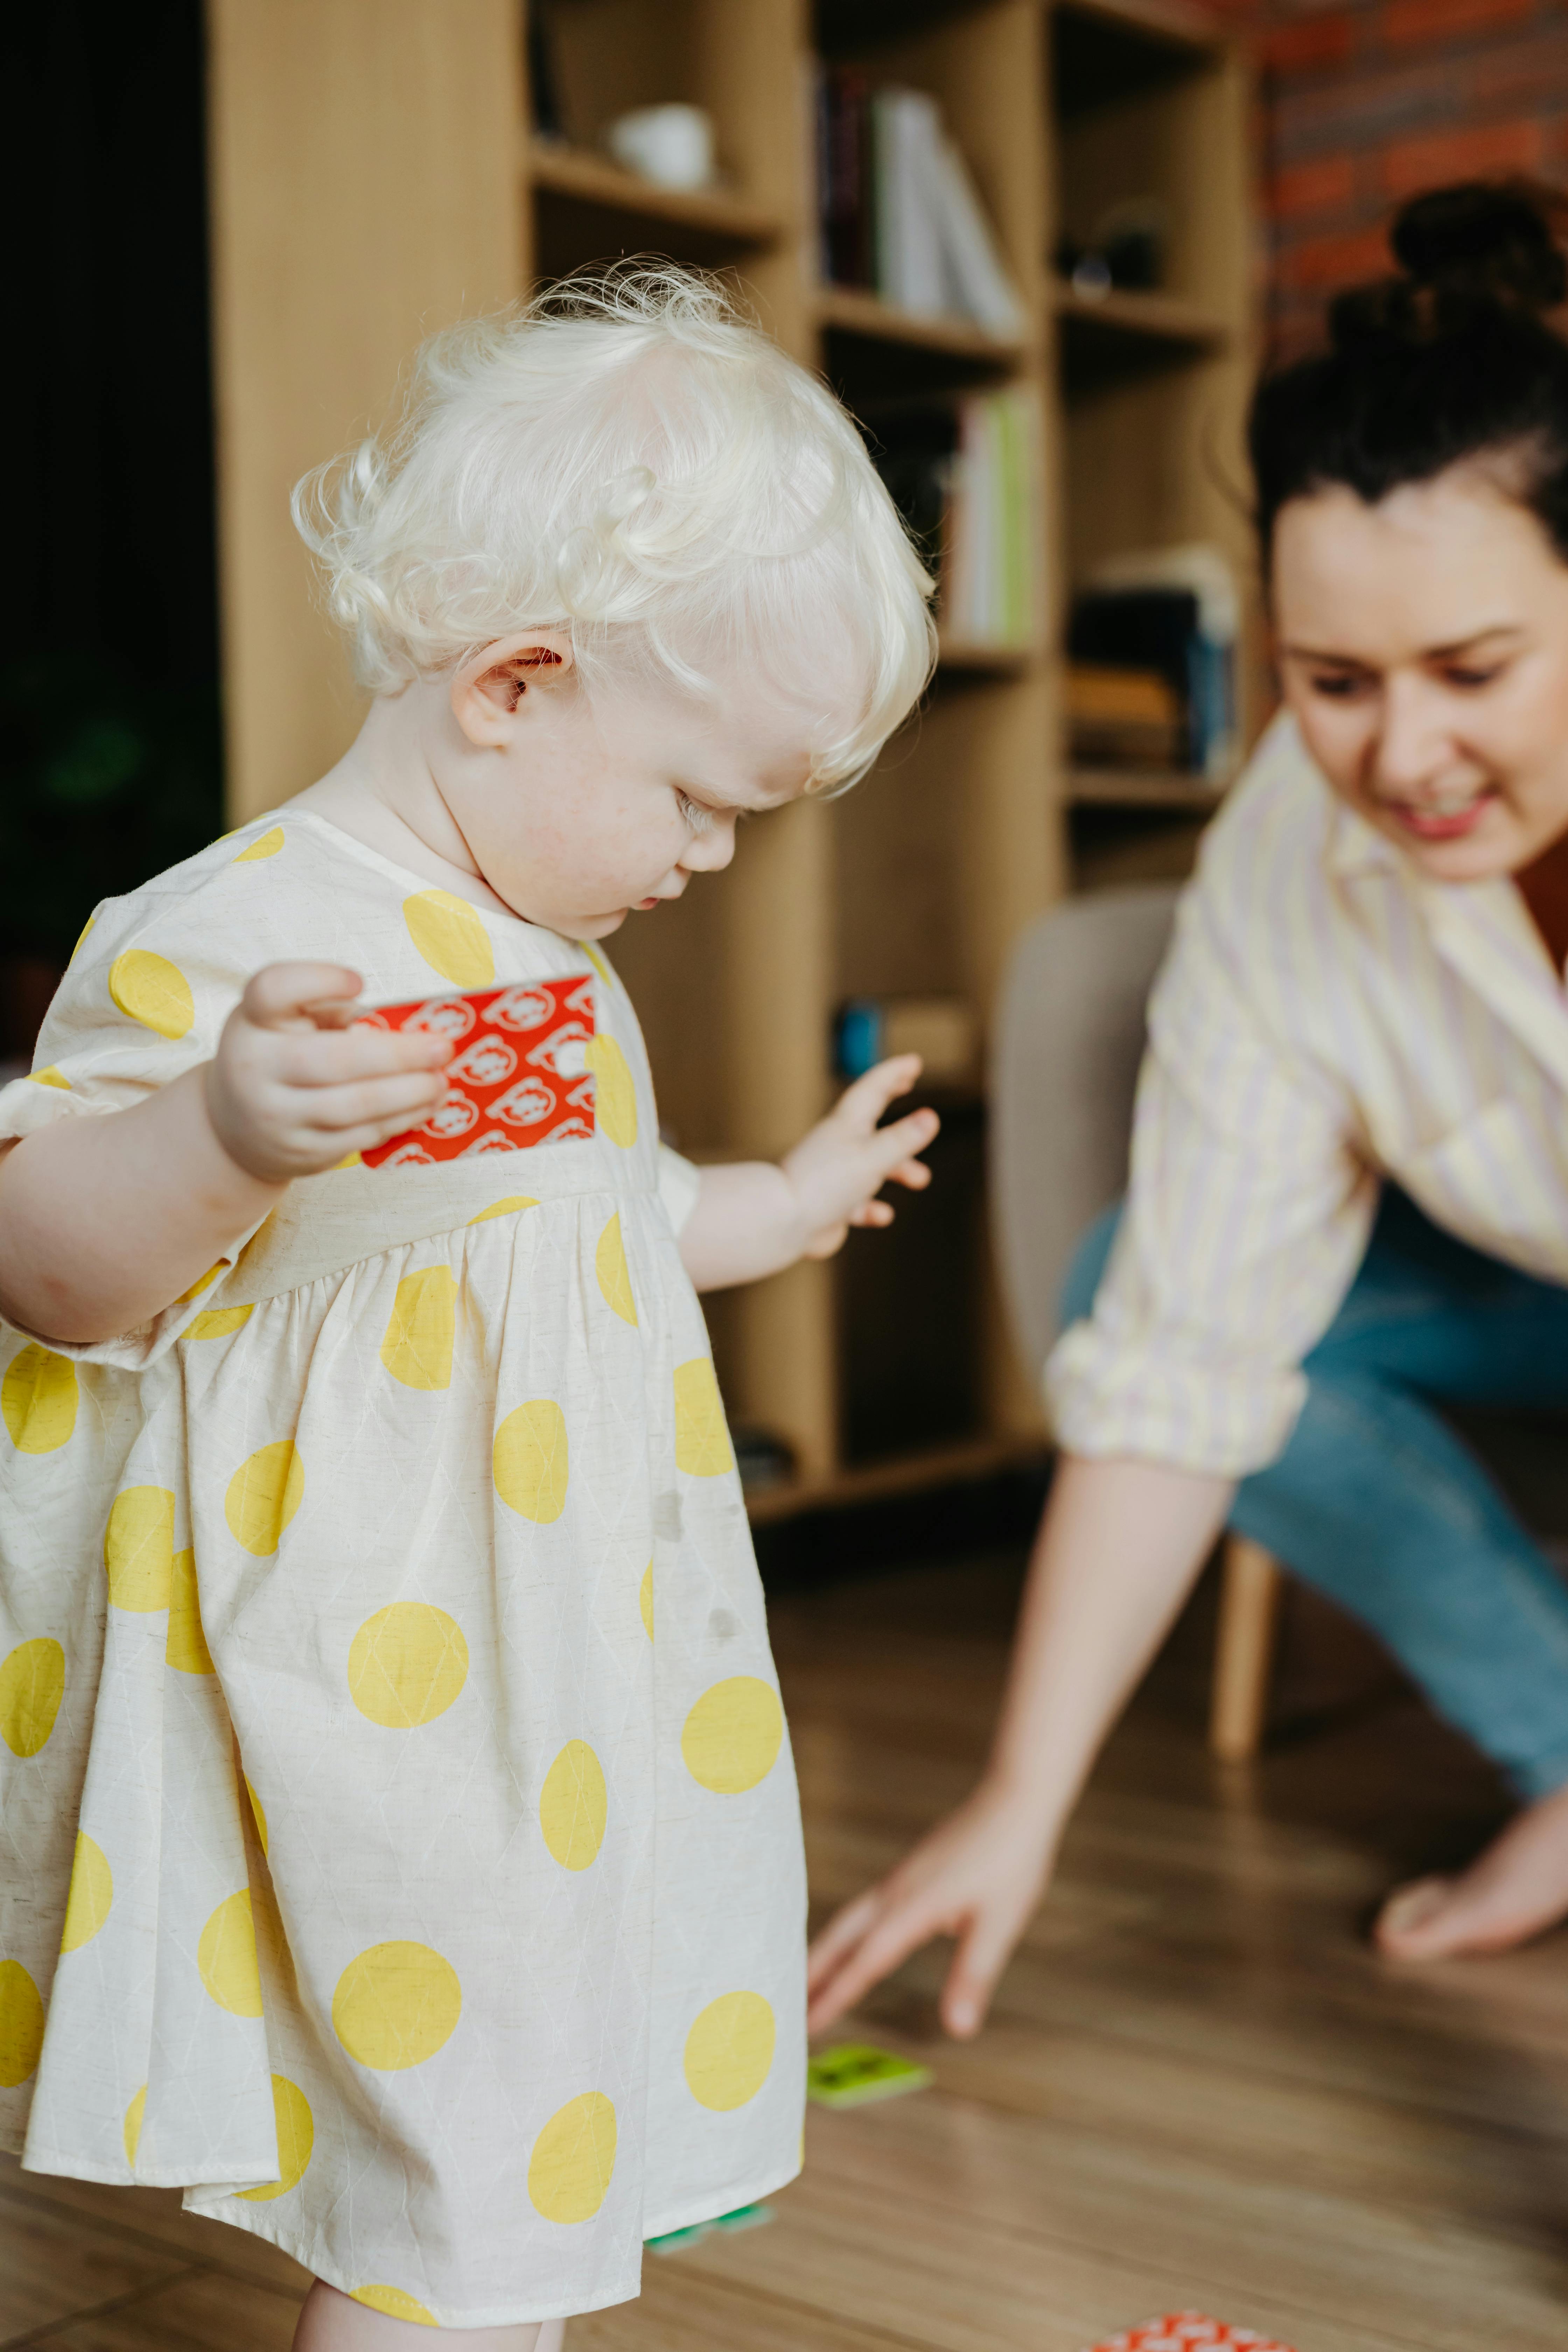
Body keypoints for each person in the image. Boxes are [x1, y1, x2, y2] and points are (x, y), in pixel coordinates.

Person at [0, 271, 937, 2349]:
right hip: (353, 1662)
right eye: (702, 798)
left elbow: (572, 1226)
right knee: (473, 2168)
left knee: (510, 2097)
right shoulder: (241, 937)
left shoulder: (545, 956)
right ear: (514, 684)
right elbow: (50, 1266)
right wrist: (227, 1133)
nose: (709, 856)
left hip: (564, 1669)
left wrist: (776, 1202)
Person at [808, 180, 1568, 2045]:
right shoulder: (1289, 863)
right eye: (1332, 683)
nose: (1402, 756)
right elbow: (1180, 1362)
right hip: (1526, 1271)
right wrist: (1018, 1799)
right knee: (1123, 1288)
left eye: (1475, 672)